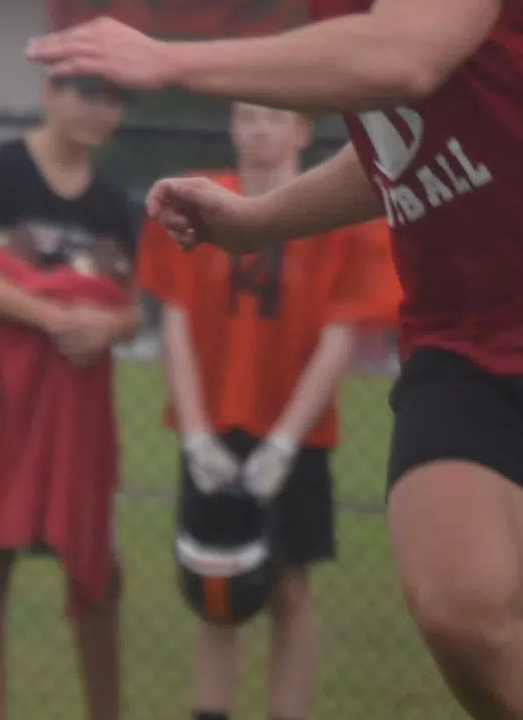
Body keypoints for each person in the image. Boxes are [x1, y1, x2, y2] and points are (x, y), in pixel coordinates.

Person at [32, 0, 523, 720]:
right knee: (463, 612)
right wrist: (253, 220)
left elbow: (408, 57)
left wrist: (172, 63)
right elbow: (407, 147)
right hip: (469, 337)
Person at [138, 100, 402, 720]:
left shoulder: (337, 216)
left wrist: (286, 440)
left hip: (296, 428)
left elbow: (344, 332)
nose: (259, 130)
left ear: (302, 131)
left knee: (290, 588)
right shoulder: (196, 204)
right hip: (216, 422)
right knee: (215, 588)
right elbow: (174, 317)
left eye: (275, 118)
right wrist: (196, 432)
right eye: (248, 117)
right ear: (231, 126)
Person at [0, 74, 141, 720]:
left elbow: (131, 311)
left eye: (112, 97)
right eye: (86, 93)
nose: (99, 109)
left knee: (99, 568)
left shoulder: (112, 203)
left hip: (66, 413)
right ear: (51, 92)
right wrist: (54, 317)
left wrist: (105, 325)